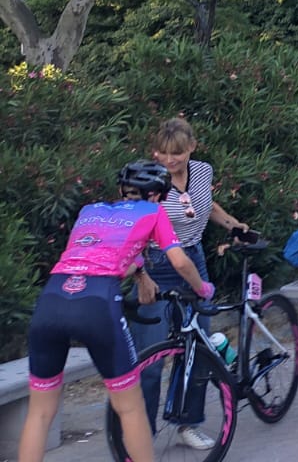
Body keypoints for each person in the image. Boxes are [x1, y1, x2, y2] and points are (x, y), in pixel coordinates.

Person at [19, 161, 215, 462]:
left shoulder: (90, 211)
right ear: (157, 196)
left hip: (52, 300)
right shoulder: (154, 212)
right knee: (130, 407)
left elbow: (95, 255)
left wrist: (140, 273)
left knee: (40, 412)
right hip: (97, 305)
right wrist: (202, 289)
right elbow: (180, 262)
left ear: (122, 190)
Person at [131, 118, 248, 450]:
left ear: (191, 148)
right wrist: (141, 274)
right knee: (150, 357)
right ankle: (142, 434)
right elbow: (135, 226)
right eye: (165, 154)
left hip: (192, 259)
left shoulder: (202, 171)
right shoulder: (149, 180)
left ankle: (187, 423)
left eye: (178, 154)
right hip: (156, 262)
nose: (171, 160)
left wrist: (232, 224)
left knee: (198, 347)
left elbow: (204, 205)